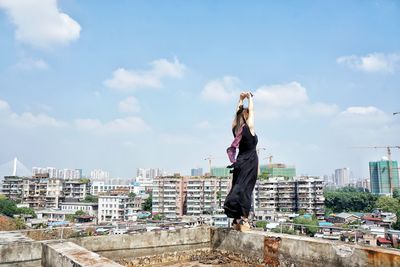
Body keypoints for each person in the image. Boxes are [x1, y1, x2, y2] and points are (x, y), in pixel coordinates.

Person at [223, 92, 258, 232]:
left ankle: (236, 219)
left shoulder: (236, 129)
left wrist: (240, 100)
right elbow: (252, 111)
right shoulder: (249, 128)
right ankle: (244, 219)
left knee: (237, 188)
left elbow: (236, 115)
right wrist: (249, 98)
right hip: (250, 163)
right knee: (246, 190)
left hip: (239, 163)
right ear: (247, 117)